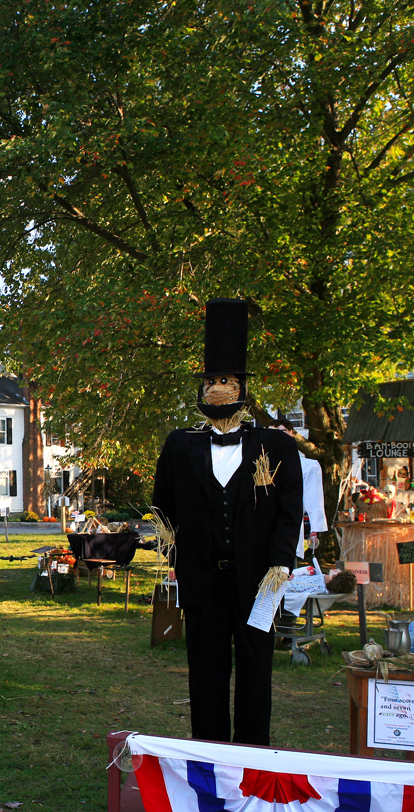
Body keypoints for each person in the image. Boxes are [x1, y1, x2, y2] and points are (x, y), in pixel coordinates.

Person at [151, 297, 303, 746]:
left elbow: (290, 511)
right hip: (202, 581)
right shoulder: (180, 446)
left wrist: (280, 564)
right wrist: (177, 558)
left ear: (242, 389)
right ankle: (209, 753)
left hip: (259, 581)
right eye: (212, 381)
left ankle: (253, 754)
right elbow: (162, 509)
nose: (218, 388)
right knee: (205, 670)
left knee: (257, 668)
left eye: (227, 381)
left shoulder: (275, 447)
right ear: (202, 390)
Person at [271, 416, 329, 551]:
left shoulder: (307, 466)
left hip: (289, 525)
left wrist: (315, 528)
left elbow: (313, 497)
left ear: (291, 433)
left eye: (282, 432)